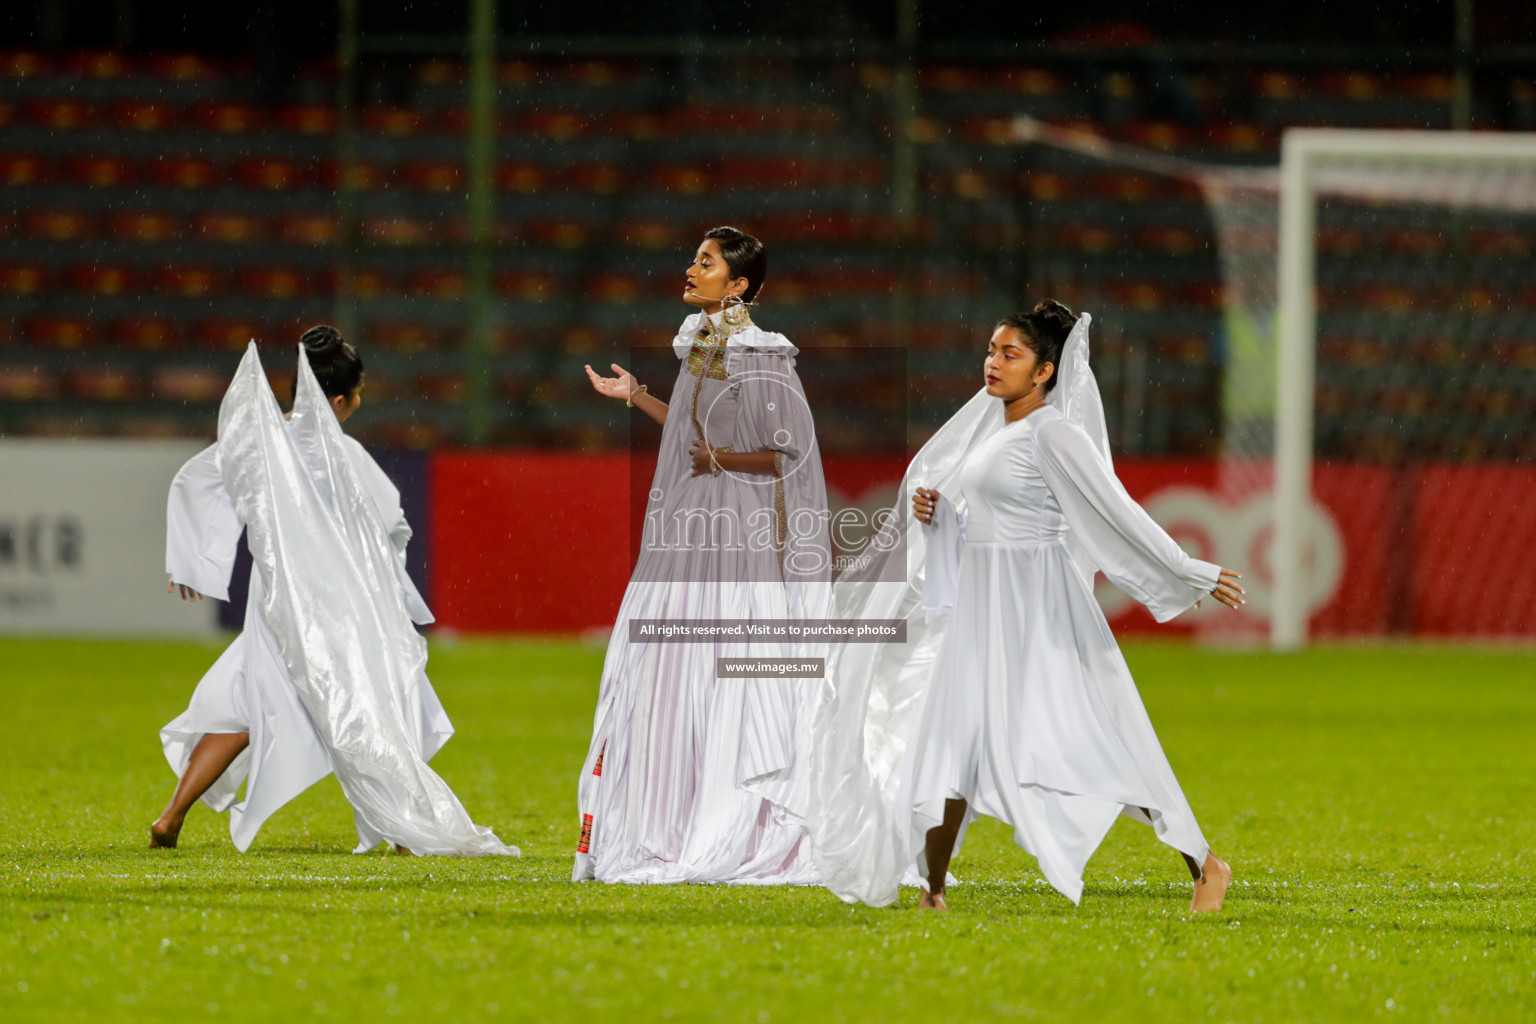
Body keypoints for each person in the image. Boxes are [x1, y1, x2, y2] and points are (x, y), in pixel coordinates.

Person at [812, 302, 1240, 911]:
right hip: (982, 609)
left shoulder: (1053, 433)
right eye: (991, 351)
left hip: (1038, 608)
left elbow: (1114, 511)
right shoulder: (1001, 433)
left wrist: (1185, 568)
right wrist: (943, 523)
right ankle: (932, 891)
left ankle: (1204, 864)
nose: (993, 363)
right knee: (950, 740)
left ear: (1044, 372)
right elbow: (982, 528)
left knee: (1089, 739)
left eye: (1010, 354)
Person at [152, 326, 516, 858]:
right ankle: (402, 828)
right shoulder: (342, 454)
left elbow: (197, 477)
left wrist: (192, 561)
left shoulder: (264, 438)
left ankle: (170, 817)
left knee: (246, 702)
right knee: (372, 703)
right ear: (341, 400)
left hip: (276, 601)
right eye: (358, 393)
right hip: (336, 606)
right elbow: (391, 522)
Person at [576, 226, 831, 884]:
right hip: (685, 534)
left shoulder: (757, 352)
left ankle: (733, 824)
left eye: (706, 262)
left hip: (732, 542)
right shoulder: (704, 343)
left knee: (721, 688)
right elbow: (697, 433)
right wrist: (636, 397)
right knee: (670, 683)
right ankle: (675, 818)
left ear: (738, 285)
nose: (691, 269)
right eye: (693, 258)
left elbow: (786, 453)